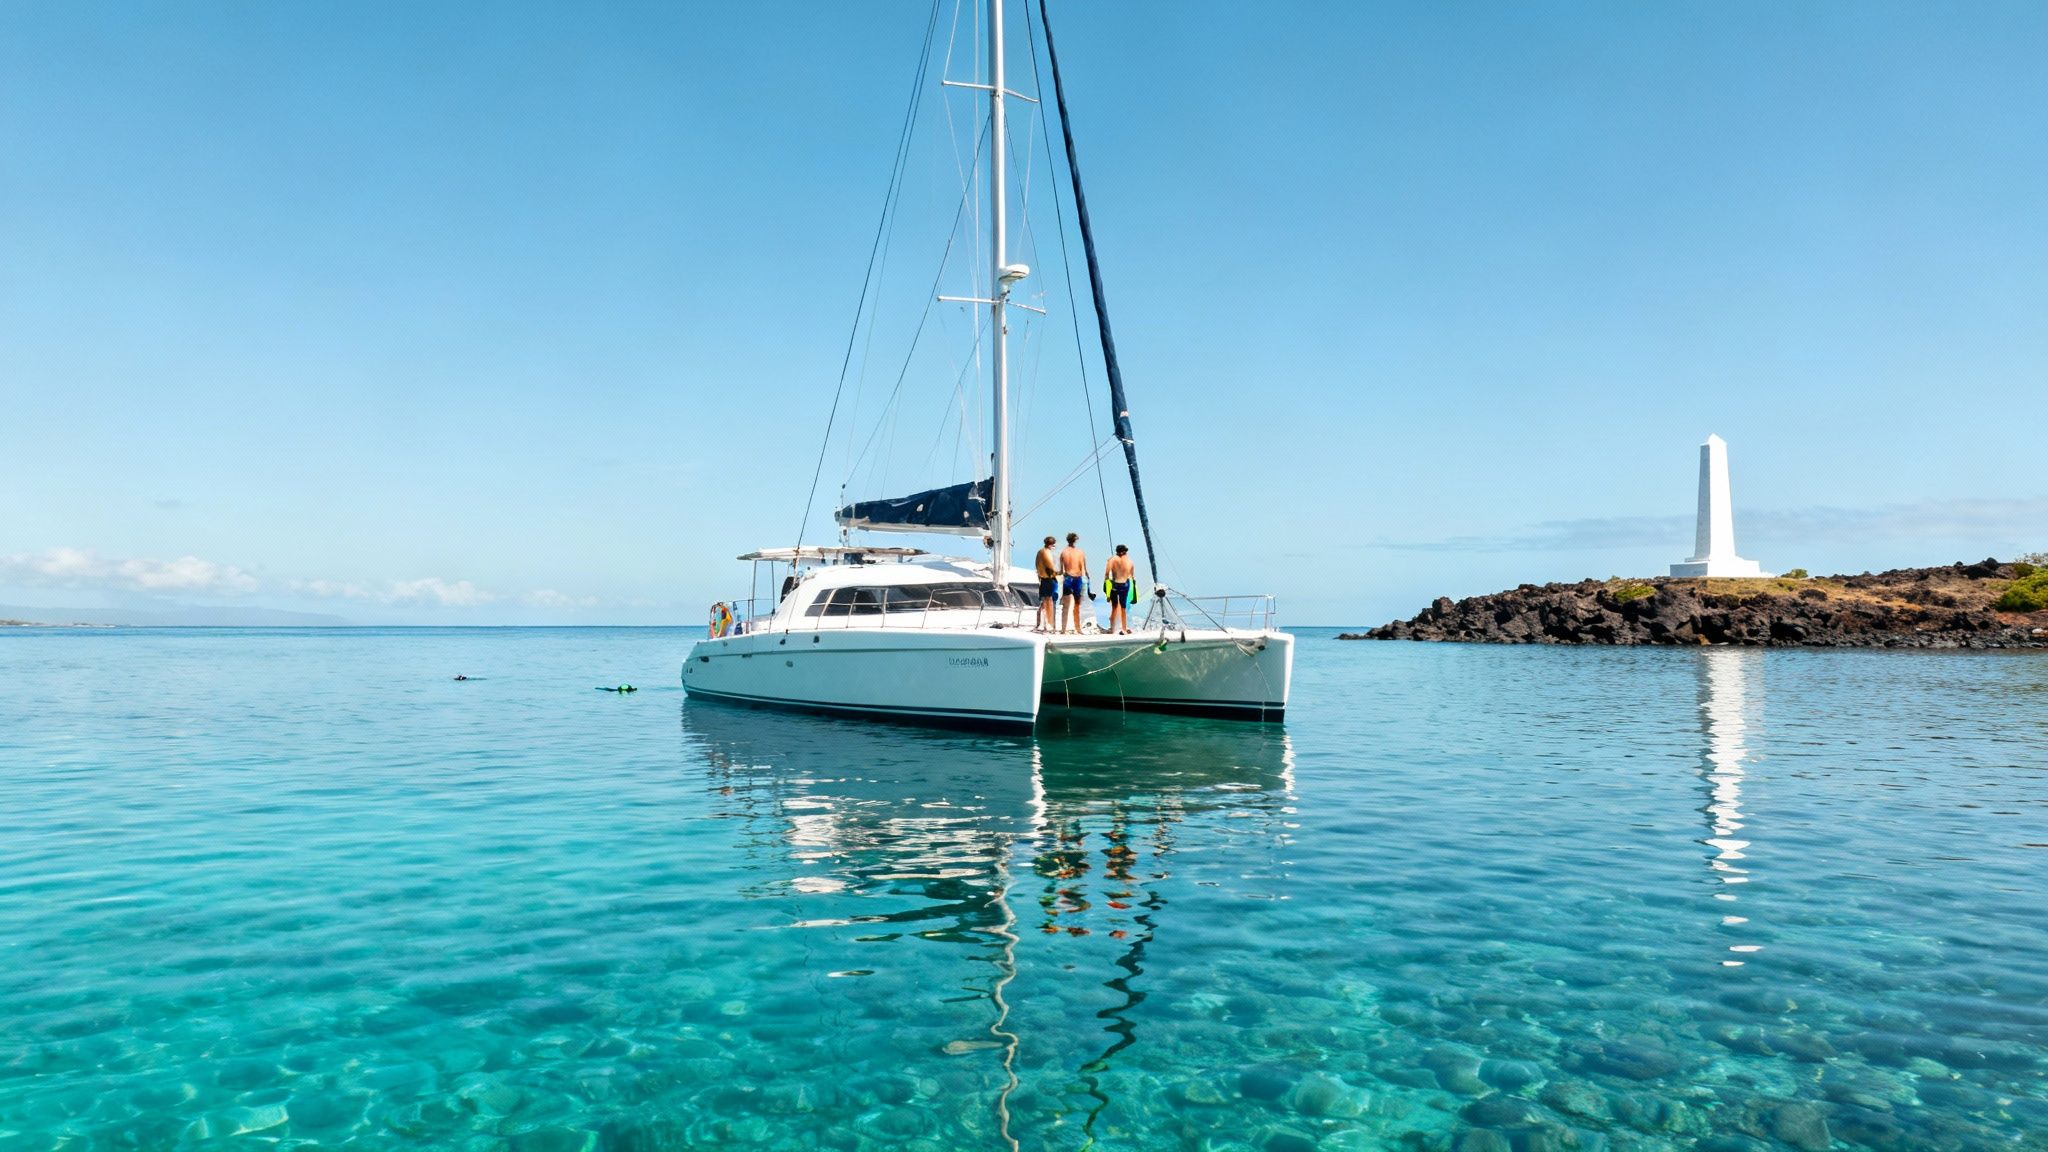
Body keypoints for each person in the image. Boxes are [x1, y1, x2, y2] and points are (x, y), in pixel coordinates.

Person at [1059, 532, 1091, 634]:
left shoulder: (1063, 552)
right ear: (1075, 540)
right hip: (1077, 579)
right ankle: (1078, 629)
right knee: (1077, 605)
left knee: (1066, 606)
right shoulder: (1080, 552)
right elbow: (1084, 569)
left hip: (1068, 578)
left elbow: (1061, 570)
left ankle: (1063, 630)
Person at [1105, 544, 1136, 635]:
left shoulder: (1112, 559)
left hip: (1115, 585)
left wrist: (1107, 586)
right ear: (1124, 552)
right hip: (1125, 584)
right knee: (1123, 607)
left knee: (1114, 607)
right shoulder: (1130, 561)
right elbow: (1132, 576)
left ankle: (1112, 628)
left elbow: (1107, 574)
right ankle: (1124, 628)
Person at [1034, 535, 1060, 632]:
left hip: (1042, 579)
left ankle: (1041, 624)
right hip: (1050, 579)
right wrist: (1058, 573)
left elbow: (1037, 565)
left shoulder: (1039, 552)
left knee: (1043, 602)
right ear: (1051, 545)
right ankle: (1050, 625)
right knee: (1050, 602)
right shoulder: (1048, 553)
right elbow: (1050, 567)